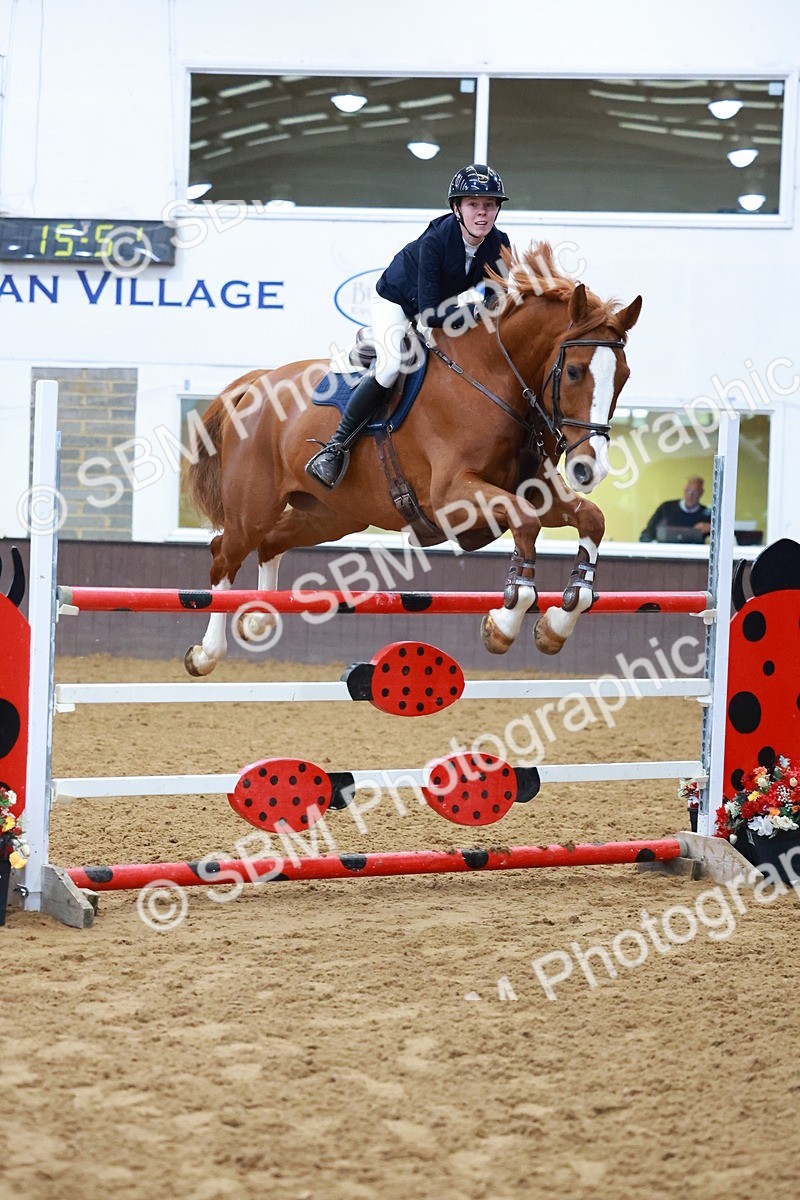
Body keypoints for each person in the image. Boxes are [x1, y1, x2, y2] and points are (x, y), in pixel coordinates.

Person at [305, 163, 511, 489]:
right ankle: (335, 447)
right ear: (456, 208)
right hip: (397, 303)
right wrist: (476, 311)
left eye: (489, 204)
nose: (482, 213)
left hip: (440, 307)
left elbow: (496, 300)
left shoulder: (500, 243)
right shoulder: (435, 241)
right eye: (473, 204)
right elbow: (429, 315)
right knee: (391, 366)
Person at [639, 476, 712, 542]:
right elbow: (648, 532)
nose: (690, 495)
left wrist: (711, 528)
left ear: (701, 493)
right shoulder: (666, 508)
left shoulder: (707, 514)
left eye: (695, 492)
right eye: (687, 490)